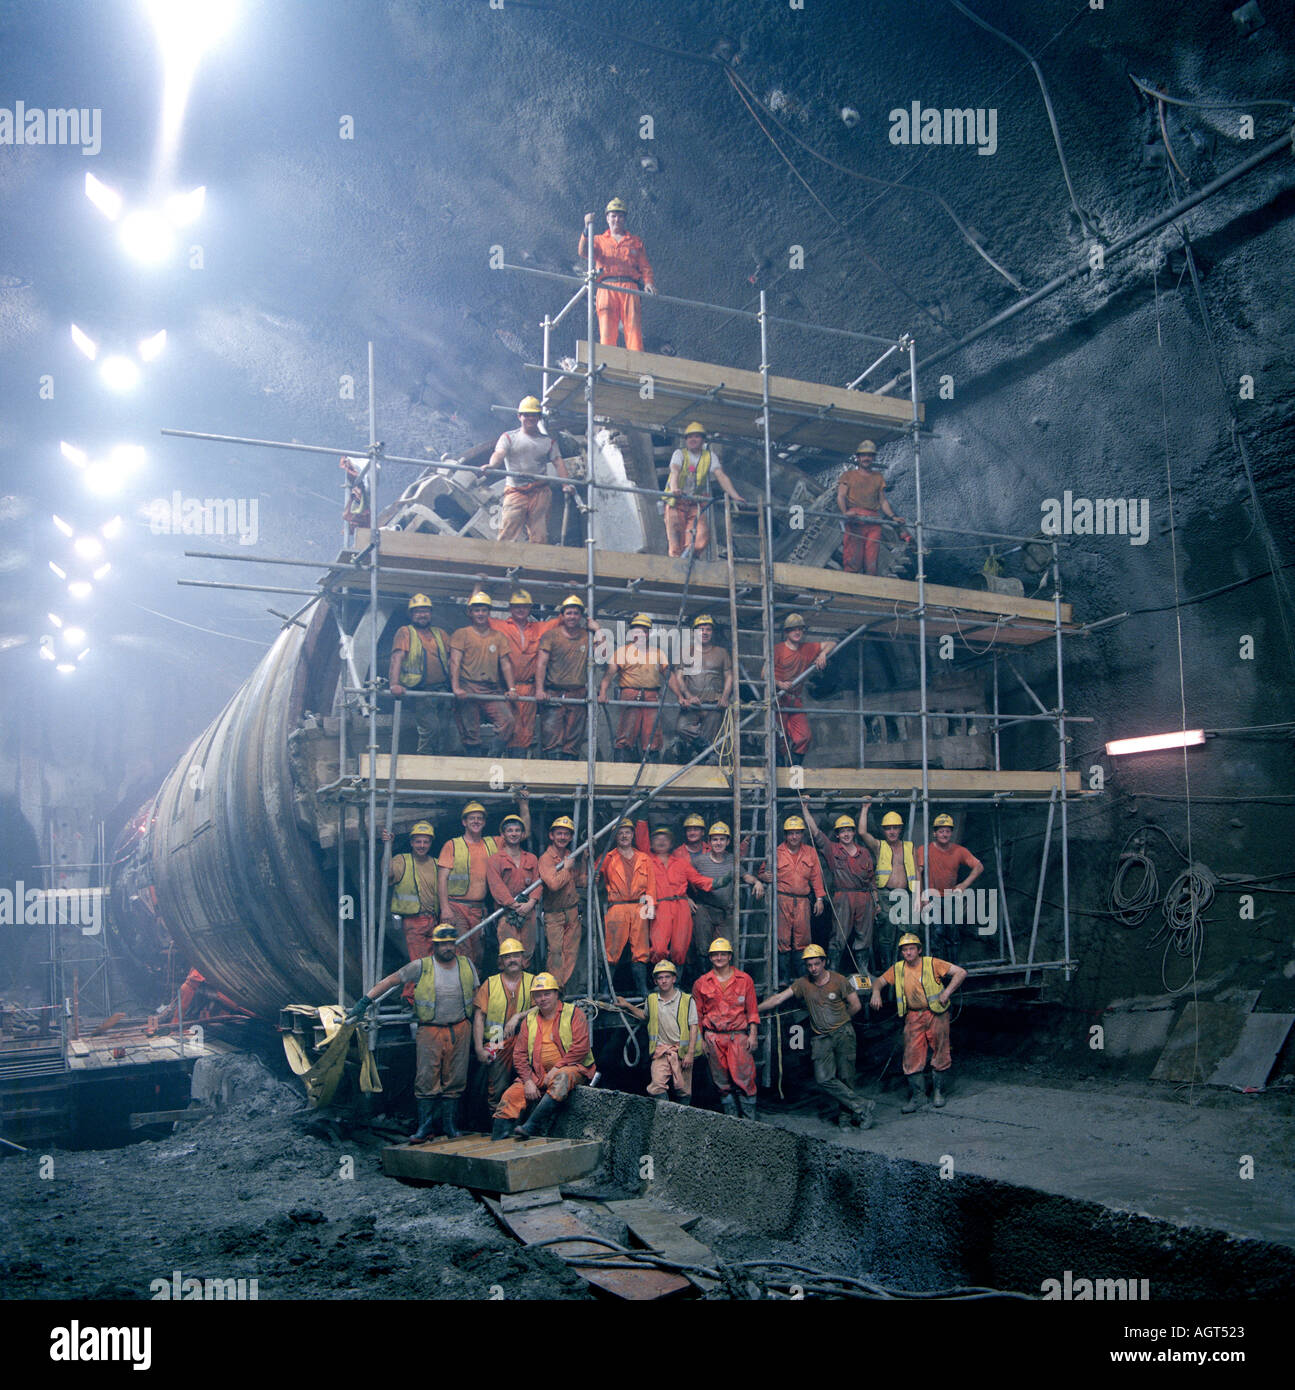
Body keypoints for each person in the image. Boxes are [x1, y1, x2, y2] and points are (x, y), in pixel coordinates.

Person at [347, 923, 477, 1142]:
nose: (447, 948)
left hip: (460, 1029)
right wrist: (364, 1003)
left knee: (455, 1080)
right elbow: (391, 981)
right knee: (427, 1079)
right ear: (434, 946)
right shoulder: (421, 966)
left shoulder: (466, 965)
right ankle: (425, 1128)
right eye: (442, 944)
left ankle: (450, 1127)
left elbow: (478, 993)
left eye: (450, 943)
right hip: (430, 1030)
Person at [759, 945, 873, 1129]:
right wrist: (754, 1010)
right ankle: (862, 1105)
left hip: (843, 1034)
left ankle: (847, 1117)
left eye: (816, 964)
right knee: (823, 1078)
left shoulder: (839, 980)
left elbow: (856, 1005)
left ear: (824, 962)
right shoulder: (802, 983)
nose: (813, 968)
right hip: (821, 1038)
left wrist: (840, 1022)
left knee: (846, 1077)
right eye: (809, 965)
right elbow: (778, 998)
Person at [491, 972, 595, 1140]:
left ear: (556, 994)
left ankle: (531, 1126)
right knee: (510, 1096)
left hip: (574, 1069)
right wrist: (528, 1081)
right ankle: (496, 1141)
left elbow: (581, 1048)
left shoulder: (574, 1014)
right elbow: (519, 1055)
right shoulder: (529, 1019)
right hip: (539, 1075)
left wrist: (557, 1067)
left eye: (547, 993)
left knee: (562, 1078)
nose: (542, 998)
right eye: (538, 995)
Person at [870, 933, 966, 1112]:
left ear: (919, 949)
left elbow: (961, 973)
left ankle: (938, 1092)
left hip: (936, 1014)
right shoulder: (898, 968)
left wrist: (947, 993)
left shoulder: (932, 963)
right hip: (913, 1016)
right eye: (905, 950)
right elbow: (879, 982)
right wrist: (876, 992)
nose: (908, 953)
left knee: (941, 1051)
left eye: (911, 948)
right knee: (912, 1055)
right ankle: (918, 1097)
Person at [799, 800, 877, 974]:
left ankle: (863, 969)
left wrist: (876, 902)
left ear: (854, 832)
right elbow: (816, 832)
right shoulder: (832, 849)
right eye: (842, 831)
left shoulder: (863, 852)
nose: (846, 834)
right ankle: (833, 969)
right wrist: (805, 808)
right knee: (839, 935)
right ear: (837, 835)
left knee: (864, 935)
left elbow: (871, 879)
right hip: (843, 897)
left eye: (849, 830)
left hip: (864, 897)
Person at [485, 397, 575, 545]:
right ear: (519, 416)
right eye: (526, 414)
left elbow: (558, 462)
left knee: (539, 534)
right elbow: (499, 453)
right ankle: (502, 563)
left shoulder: (547, 441)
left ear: (539, 417)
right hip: (516, 491)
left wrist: (565, 484)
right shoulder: (509, 437)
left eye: (534, 415)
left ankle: (535, 564)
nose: (530, 418)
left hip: (540, 491)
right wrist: (492, 465)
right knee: (508, 529)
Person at [686, 821, 764, 981]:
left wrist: (756, 881)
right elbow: (684, 880)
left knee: (726, 948)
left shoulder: (732, 860)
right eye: (715, 839)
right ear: (709, 841)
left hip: (725, 911)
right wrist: (686, 898)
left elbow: (744, 875)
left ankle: (724, 984)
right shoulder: (699, 861)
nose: (718, 843)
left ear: (728, 841)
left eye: (722, 839)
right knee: (702, 948)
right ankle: (704, 983)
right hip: (704, 910)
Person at [437, 800, 510, 969]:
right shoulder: (452, 845)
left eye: (479, 818)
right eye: (472, 818)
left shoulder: (493, 843)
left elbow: (522, 834)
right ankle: (466, 993)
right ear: (464, 822)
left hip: (478, 909)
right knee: (464, 952)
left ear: (484, 822)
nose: (476, 821)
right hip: (456, 907)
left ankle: (474, 991)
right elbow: (442, 878)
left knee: (478, 954)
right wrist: (445, 908)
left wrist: (523, 804)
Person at [692, 938, 760, 1120]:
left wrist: (752, 1035)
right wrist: (701, 1041)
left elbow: (752, 1010)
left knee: (745, 1078)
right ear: (710, 957)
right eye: (715, 954)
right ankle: (731, 1121)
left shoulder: (744, 980)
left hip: (738, 1037)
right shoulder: (701, 983)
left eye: (723, 954)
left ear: (730, 956)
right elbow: (697, 1016)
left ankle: (749, 1122)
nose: (719, 957)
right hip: (713, 1038)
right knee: (721, 1081)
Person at [616, 960, 698, 1105]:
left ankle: (682, 1120)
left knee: (684, 1090)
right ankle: (665, 1115)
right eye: (660, 978)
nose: (663, 981)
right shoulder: (652, 999)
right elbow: (646, 1016)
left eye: (667, 977)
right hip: (661, 1050)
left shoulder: (687, 1000)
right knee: (657, 1086)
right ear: (655, 981)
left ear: (674, 978)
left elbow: (693, 1027)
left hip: (682, 1051)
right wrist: (628, 1006)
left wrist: (690, 1053)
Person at [579, 197, 655, 352]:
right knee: (607, 328)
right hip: (607, 286)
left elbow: (644, 266)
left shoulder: (635, 241)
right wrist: (586, 229)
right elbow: (583, 252)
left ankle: (636, 364)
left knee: (633, 328)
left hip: (630, 287)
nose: (616, 219)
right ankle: (608, 362)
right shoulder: (598, 240)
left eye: (620, 216)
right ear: (607, 218)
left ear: (625, 219)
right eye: (613, 215)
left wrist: (648, 282)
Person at [635, 821, 714, 969]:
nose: (661, 841)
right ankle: (659, 981)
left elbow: (698, 879)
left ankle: (676, 984)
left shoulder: (681, 863)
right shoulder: (646, 860)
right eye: (657, 839)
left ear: (672, 843)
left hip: (681, 906)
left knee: (679, 948)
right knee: (658, 948)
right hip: (659, 907)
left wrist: (719, 882)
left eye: (665, 839)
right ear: (651, 844)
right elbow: (641, 838)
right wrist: (642, 817)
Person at [758, 814, 826, 985]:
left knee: (802, 940)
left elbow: (816, 876)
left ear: (802, 834)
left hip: (803, 901)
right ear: (785, 835)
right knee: (782, 940)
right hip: (782, 900)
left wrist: (819, 898)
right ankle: (783, 979)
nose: (794, 837)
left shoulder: (810, 852)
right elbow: (761, 872)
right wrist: (763, 877)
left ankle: (803, 979)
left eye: (797, 833)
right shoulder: (775, 852)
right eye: (790, 833)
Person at [490, 589, 558, 757]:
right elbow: (475, 610)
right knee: (505, 726)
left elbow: (563, 619)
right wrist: (478, 586)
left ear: (530, 608)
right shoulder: (500, 626)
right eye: (517, 607)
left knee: (524, 733)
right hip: (506, 688)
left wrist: (572, 592)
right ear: (510, 608)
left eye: (525, 606)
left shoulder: (538, 628)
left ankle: (516, 779)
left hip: (529, 688)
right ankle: (490, 766)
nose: (521, 610)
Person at [471, 937, 534, 1116]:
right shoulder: (490, 983)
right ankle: (497, 1124)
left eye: (516, 955)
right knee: (496, 1086)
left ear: (523, 959)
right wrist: (478, 1049)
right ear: (501, 962)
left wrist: (518, 1016)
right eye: (507, 957)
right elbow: (479, 1017)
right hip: (496, 1040)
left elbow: (546, 1005)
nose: (512, 960)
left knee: (529, 1081)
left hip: (525, 1039)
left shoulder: (533, 981)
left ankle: (522, 1121)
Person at [449, 590, 516, 756]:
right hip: (468, 687)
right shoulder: (461, 634)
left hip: (490, 689)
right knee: (470, 730)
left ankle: (491, 757)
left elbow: (505, 664)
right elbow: (455, 662)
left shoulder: (498, 637)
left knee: (507, 721)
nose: (480, 613)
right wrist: (456, 688)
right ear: (470, 612)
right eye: (477, 610)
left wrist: (512, 689)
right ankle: (475, 766)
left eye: (484, 610)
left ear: (489, 612)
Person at [663, 424, 745, 559]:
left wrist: (734, 496)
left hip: (695, 501)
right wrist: (674, 489)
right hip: (676, 501)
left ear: (703, 440)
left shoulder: (709, 456)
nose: (693, 439)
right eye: (690, 437)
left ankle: (689, 559)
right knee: (676, 538)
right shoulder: (680, 454)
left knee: (700, 538)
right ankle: (677, 566)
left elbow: (721, 476)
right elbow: (675, 471)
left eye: (696, 436)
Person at [597, 818, 657, 997]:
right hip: (617, 907)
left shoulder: (644, 858)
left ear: (633, 835)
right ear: (615, 836)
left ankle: (642, 988)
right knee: (612, 950)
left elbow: (651, 886)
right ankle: (605, 990)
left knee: (640, 951)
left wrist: (650, 909)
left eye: (627, 832)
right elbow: (593, 875)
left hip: (639, 907)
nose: (624, 836)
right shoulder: (607, 858)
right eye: (620, 832)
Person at [599, 613, 668, 761]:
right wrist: (603, 692)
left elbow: (670, 677)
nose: (639, 635)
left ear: (648, 634)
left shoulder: (657, 653)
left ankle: (651, 767)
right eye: (636, 631)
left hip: (652, 696)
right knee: (626, 731)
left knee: (652, 733)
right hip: (630, 694)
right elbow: (609, 674)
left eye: (643, 631)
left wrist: (681, 696)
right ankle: (622, 768)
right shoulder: (623, 652)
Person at [383, 818, 440, 999]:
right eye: (418, 841)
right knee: (419, 963)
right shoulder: (402, 860)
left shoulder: (436, 864)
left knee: (433, 963)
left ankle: (424, 997)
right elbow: (387, 873)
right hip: (413, 921)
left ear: (431, 842)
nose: (421, 845)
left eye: (425, 841)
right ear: (411, 842)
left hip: (434, 919)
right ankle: (409, 998)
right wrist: (387, 847)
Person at [388, 594, 451, 754]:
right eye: (418, 612)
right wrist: (394, 684)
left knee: (444, 730)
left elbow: (453, 659)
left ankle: (439, 763)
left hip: (442, 689)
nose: (422, 615)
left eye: (426, 611)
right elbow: (397, 658)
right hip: (419, 690)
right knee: (431, 728)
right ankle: (424, 758)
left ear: (431, 613)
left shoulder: (440, 633)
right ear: (411, 615)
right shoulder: (405, 632)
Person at [916, 814, 984, 962]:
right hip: (932, 896)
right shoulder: (924, 850)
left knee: (952, 933)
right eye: (941, 831)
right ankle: (937, 968)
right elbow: (918, 873)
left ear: (951, 833)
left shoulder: (959, 851)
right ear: (934, 833)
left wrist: (964, 885)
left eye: (947, 831)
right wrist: (922, 896)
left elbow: (979, 866)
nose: (944, 834)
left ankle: (953, 967)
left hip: (950, 897)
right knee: (937, 932)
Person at [535, 595, 596, 760]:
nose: (572, 617)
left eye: (576, 613)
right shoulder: (551, 636)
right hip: (554, 692)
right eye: (569, 613)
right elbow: (541, 663)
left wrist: (598, 630)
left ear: (581, 616)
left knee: (573, 739)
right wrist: (539, 690)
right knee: (552, 737)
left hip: (577, 693)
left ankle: (570, 778)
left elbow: (604, 654)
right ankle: (552, 778)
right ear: (562, 615)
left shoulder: (587, 636)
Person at [836, 440, 907, 576]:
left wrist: (893, 517)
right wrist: (845, 513)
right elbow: (841, 495)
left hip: (874, 520)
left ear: (873, 458)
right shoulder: (848, 476)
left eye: (869, 455)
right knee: (852, 557)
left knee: (871, 559)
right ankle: (850, 588)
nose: (866, 458)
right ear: (858, 458)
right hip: (855, 518)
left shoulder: (878, 477)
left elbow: (883, 501)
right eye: (864, 455)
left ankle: (869, 587)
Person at [773, 615, 836, 764]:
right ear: (786, 632)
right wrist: (779, 683)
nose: (797, 632)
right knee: (778, 738)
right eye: (793, 629)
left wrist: (823, 654)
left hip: (794, 701)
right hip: (777, 699)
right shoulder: (778, 650)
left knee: (804, 737)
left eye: (800, 629)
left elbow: (832, 643)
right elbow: (764, 674)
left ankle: (795, 776)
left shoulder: (807, 648)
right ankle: (779, 775)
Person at [669, 616, 733, 762]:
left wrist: (725, 697)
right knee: (681, 728)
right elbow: (679, 676)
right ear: (694, 632)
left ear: (712, 633)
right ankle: (701, 750)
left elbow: (729, 676)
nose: (704, 632)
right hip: (693, 704)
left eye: (708, 629)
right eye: (701, 629)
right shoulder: (686, 652)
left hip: (714, 704)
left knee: (710, 736)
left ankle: (702, 759)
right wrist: (688, 696)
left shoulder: (721, 653)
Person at [486, 811, 542, 967]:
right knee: (509, 952)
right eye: (510, 830)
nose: (514, 834)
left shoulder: (531, 858)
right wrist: (513, 905)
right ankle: (508, 987)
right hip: (506, 912)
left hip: (528, 912)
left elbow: (538, 881)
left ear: (523, 833)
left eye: (517, 830)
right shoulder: (495, 860)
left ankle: (524, 986)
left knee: (528, 951)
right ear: (502, 834)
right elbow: (496, 886)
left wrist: (531, 903)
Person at [537, 815, 587, 989]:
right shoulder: (546, 859)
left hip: (572, 912)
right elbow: (554, 884)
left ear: (571, 837)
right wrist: (566, 869)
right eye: (559, 833)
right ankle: (554, 989)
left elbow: (580, 882)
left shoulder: (569, 855)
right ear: (551, 835)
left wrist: (586, 862)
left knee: (571, 952)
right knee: (556, 954)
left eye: (566, 834)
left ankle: (563, 988)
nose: (563, 837)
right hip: (554, 915)